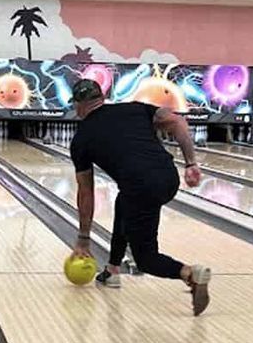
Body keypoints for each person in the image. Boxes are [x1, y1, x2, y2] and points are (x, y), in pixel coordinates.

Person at [68, 78, 212, 315]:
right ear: (102, 98)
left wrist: (83, 238)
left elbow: (86, 192)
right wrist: (191, 163)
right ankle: (112, 270)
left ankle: (189, 273)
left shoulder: (81, 139)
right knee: (124, 202)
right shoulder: (135, 109)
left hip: (141, 188)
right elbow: (177, 121)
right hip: (168, 177)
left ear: (78, 105)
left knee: (146, 259)